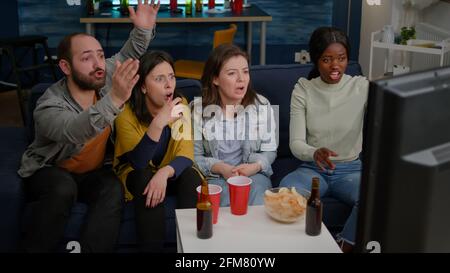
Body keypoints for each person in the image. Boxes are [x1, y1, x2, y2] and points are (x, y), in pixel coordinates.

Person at [17, 0, 160, 253]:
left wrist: (143, 29)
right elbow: (74, 130)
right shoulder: (48, 105)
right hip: (50, 170)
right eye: (86, 58)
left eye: (100, 56)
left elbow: (130, 52)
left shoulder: (102, 79)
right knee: (63, 187)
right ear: (65, 67)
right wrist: (115, 98)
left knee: (112, 187)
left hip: (93, 172)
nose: (98, 64)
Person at [279, 27, 369, 252]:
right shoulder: (303, 89)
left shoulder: (360, 87)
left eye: (341, 58)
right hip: (313, 169)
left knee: (374, 198)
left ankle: (342, 247)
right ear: (316, 60)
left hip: (351, 170)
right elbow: (296, 143)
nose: (335, 66)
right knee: (285, 193)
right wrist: (315, 152)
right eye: (327, 59)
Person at [113, 51, 201, 252]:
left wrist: (164, 172)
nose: (169, 85)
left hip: (169, 174)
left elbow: (186, 154)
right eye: (159, 79)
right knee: (144, 177)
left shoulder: (181, 104)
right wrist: (158, 123)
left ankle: (191, 252)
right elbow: (138, 162)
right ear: (143, 86)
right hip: (136, 175)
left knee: (190, 176)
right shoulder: (125, 111)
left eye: (171, 77)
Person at [192, 44, 277, 207]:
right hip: (215, 177)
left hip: (253, 175)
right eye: (232, 73)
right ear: (215, 79)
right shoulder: (197, 110)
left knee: (258, 202)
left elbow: (270, 150)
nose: (241, 79)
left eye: (245, 71)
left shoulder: (262, 105)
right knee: (221, 210)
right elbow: (195, 158)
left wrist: (255, 166)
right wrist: (220, 167)